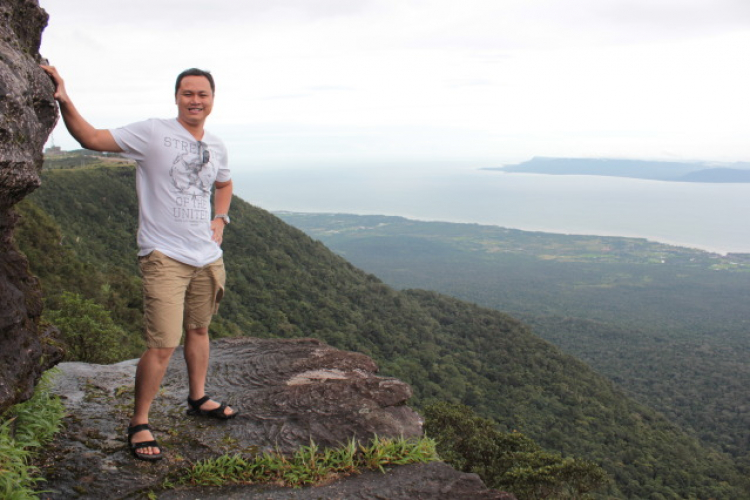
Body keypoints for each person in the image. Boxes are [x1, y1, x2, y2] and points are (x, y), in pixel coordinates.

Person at [41, 65, 237, 461]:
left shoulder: (216, 145)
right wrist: (64, 99)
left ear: (212, 100)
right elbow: (91, 138)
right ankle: (139, 421)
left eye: (202, 94)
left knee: (198, 330)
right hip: (164, 255)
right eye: (187, 93)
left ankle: (197, 398)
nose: (195, 100)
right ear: (177, 97)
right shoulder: (153, 133)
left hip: (207, 256)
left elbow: (225, 182)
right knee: (163, 344)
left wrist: (220, 218)